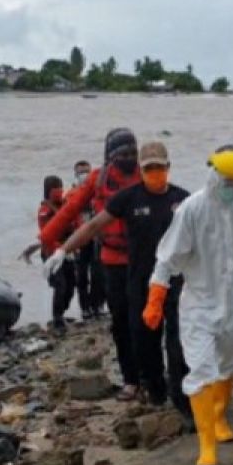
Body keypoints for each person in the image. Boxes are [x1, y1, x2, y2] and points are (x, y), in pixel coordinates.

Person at [145, 145, 233, 465]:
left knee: (229, 363)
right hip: (200, 304)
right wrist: (155, 297)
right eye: (229, 181)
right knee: (201, 370)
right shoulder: (192, 209)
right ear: (214, 174)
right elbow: (167, 258)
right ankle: (206, 446)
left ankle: (220, 415)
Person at [61, 142, 191, 416]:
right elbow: (94, 225)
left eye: (159, 167)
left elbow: (205, 235)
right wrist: (63, 249)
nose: (155, 172)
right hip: (141, 282)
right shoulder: (128, 198)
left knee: (178, 341)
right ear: (141, 170)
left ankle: (183, 398)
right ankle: (156, 391)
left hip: (176, 283)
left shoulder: (183, 200)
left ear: (169, 167)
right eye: (149, 168)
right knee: (145, 340)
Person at [41, 129, 142, 400]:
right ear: (110, 156)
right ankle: (131, 380)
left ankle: (150, 374)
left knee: (144, 320)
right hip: (112, 259)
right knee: (120, 321)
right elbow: (68, 211)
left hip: (144, 258)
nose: (129, 159)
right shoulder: (98, 181)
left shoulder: (145, 176)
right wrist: (48, 243)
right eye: (123, 154)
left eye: (133, 153)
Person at [19, 176, 75, 332]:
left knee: (72, 284)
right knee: (60, 285)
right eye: (56, 188)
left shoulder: (66, 204)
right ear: (48, 191)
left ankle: (61, 313)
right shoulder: (45, 210)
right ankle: (57, 319)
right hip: (52, 252)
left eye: (60, 186)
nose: (59, 190)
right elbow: (46, 234)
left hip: (68, 249)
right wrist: (60, 249)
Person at [70, 160, 104, 320]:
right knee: (81, 275)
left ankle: (97, 305)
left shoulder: (98, 191)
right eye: (80, 172)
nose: (83, 175)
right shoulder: (71, 194)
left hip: (96, 237)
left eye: (86, 172)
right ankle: (85, 308)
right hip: (79, 239)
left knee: (98, 273)